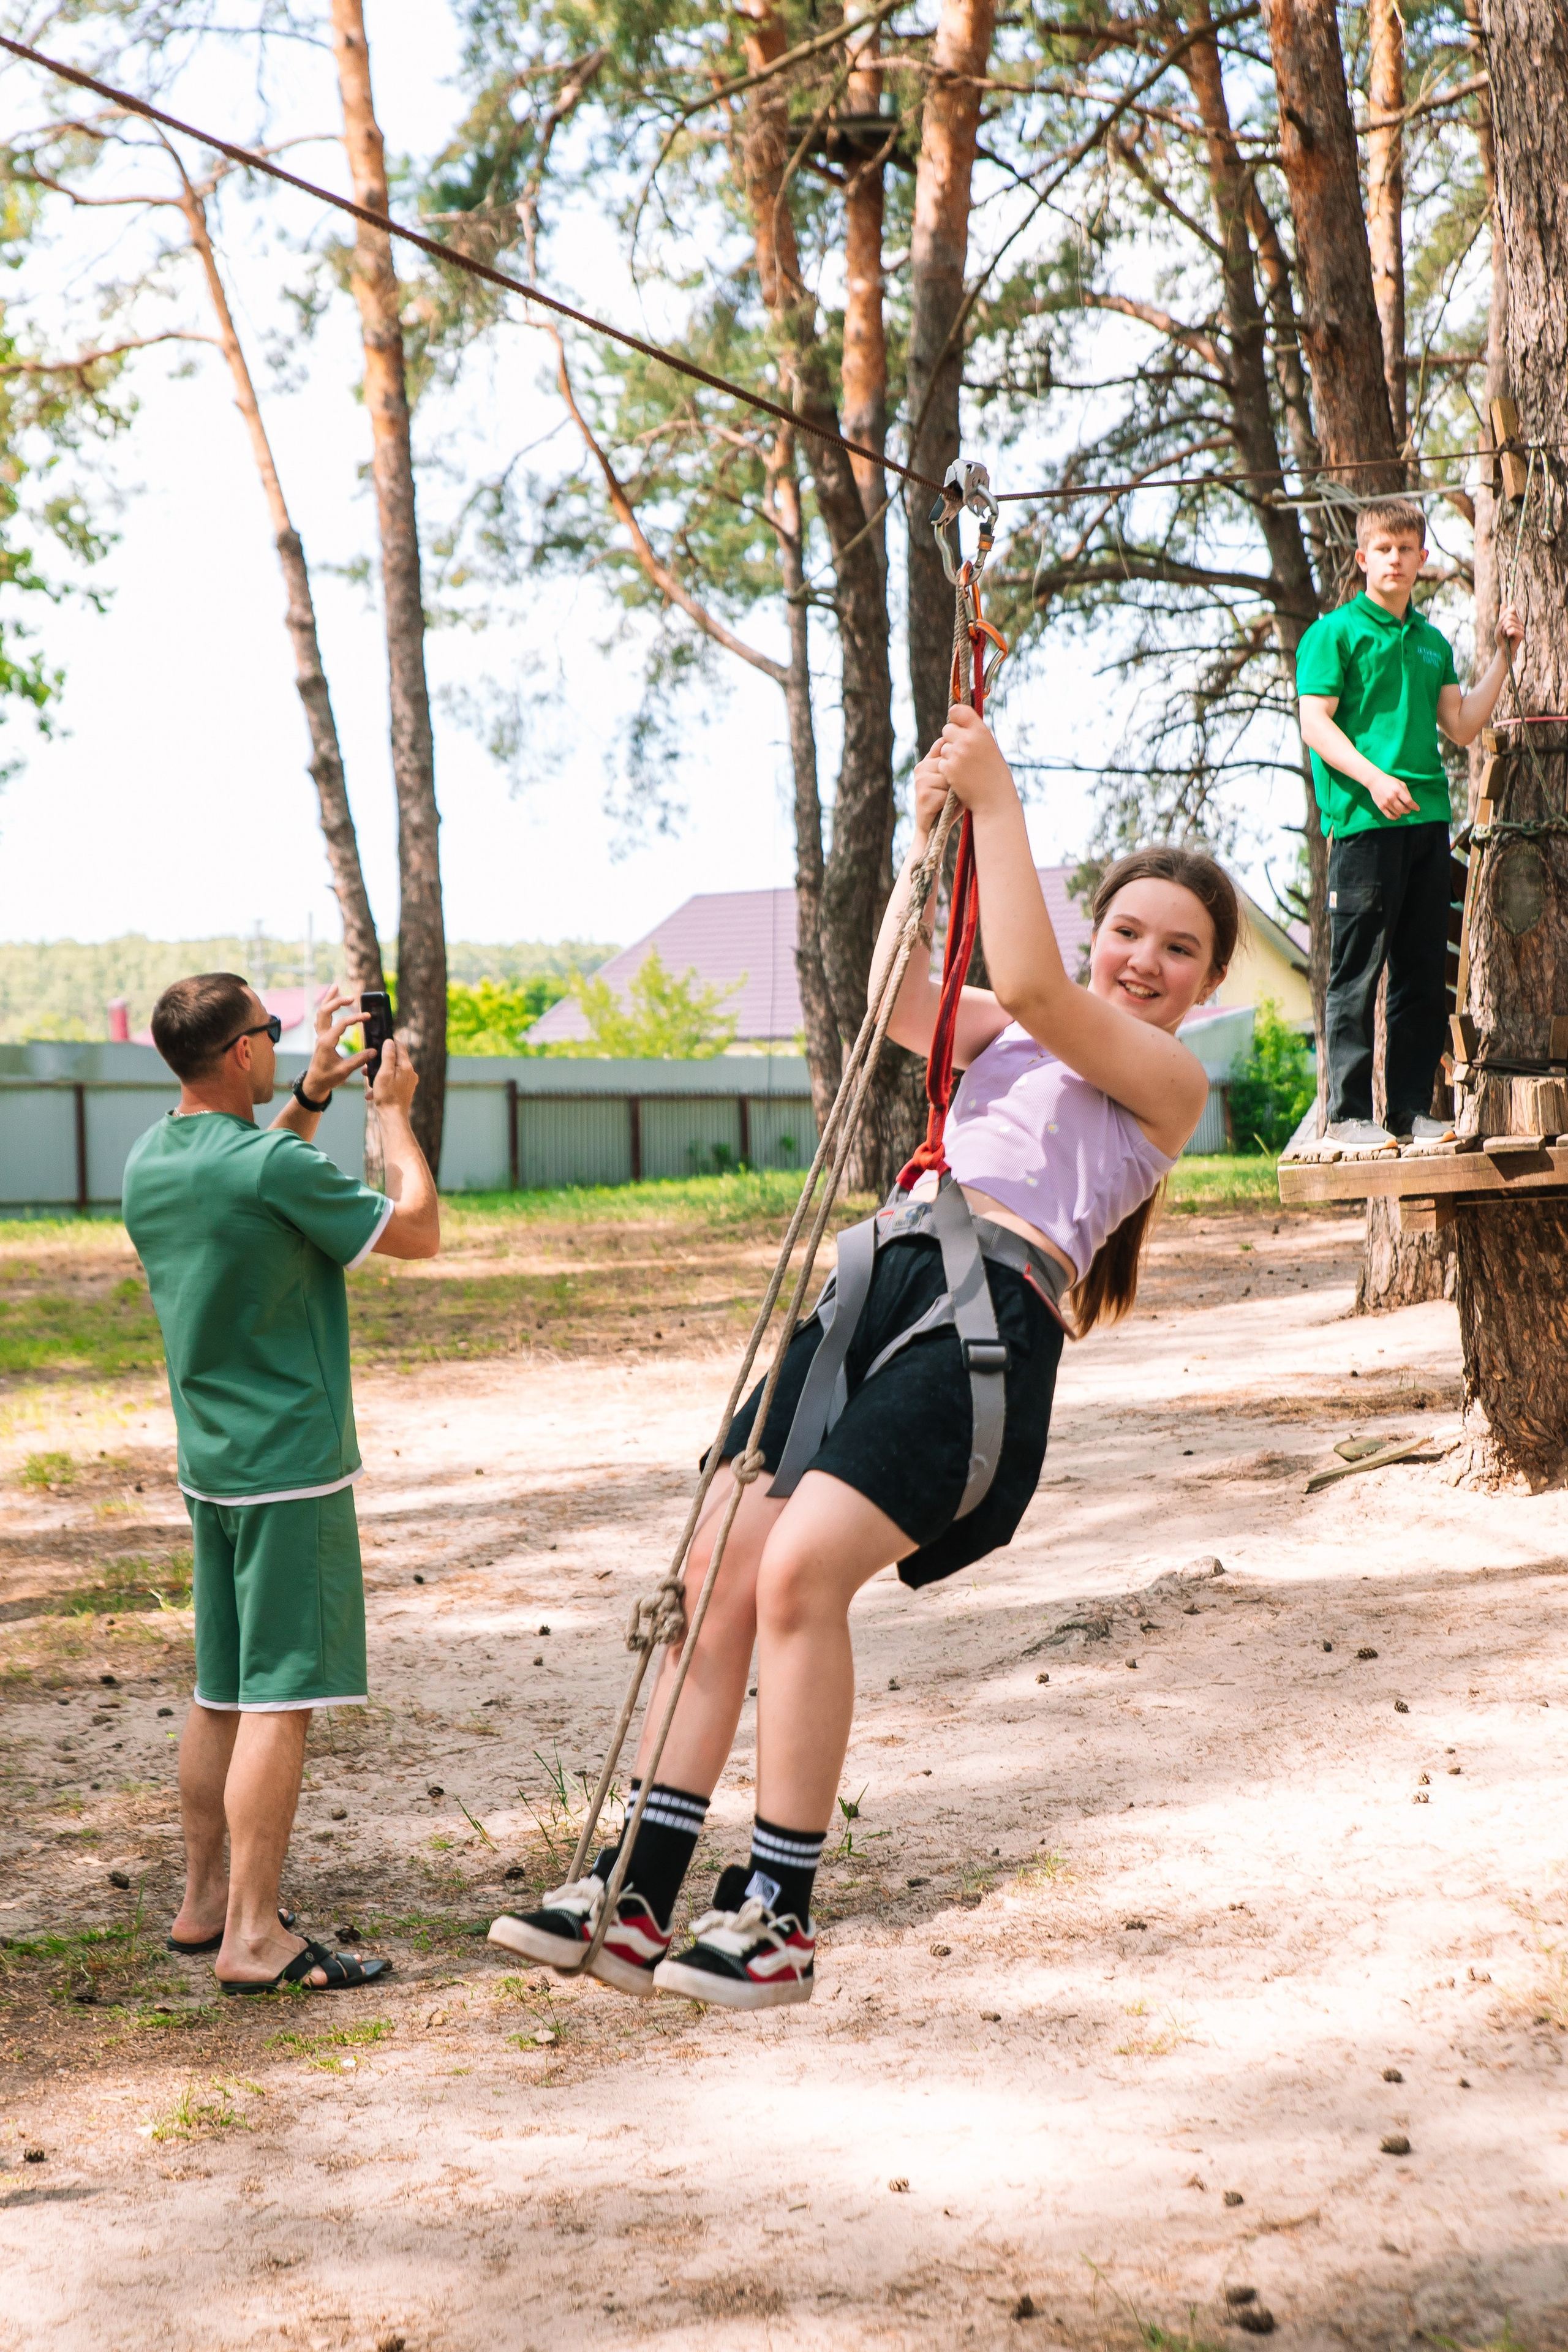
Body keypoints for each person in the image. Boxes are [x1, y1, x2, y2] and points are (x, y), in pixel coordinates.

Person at [490, 703, 1237, 2008]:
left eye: (1176, 950)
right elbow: (897, 989)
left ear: (1205, 986)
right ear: (1093, 930)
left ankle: (776, 1908)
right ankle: (638, 1889)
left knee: (796, 1575)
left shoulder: (1160, 1080)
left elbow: (1045, 991)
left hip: (983, 1319)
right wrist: (930, 824)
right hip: (874, 1283)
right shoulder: (1003, 1034)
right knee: (717, 1568)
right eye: (1126, 930)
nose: (1144, 960)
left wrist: (1000, 803)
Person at [123, 974, 439, 1993]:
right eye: (274, 1030)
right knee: (281, 1700)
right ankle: (255, 1937)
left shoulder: (152, 1160)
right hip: (291, 1470)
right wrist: (392, 1119)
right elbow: (420, 1230)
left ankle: (204, 1902)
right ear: (238, 1055)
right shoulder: (265, 1166)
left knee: (220, 1691)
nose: (286, 1038)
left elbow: (252, 1176)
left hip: (212, 1467)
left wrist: (306, 1093)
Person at [1296, 498, 1525, 1148]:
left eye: (1407, 549)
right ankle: (1345, 1116)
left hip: (1427, 823)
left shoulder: (1430, 642)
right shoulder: (1334, 634)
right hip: (1364, 823)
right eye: (1382, 549)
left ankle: (1406, 1113)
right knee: (1356, 974)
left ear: (1423, 560)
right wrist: (1372, 778)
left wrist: (1504, 657)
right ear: (1362, 558)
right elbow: (1316, 724)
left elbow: (1460, 726)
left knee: (1422, 973)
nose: (1395, 559)